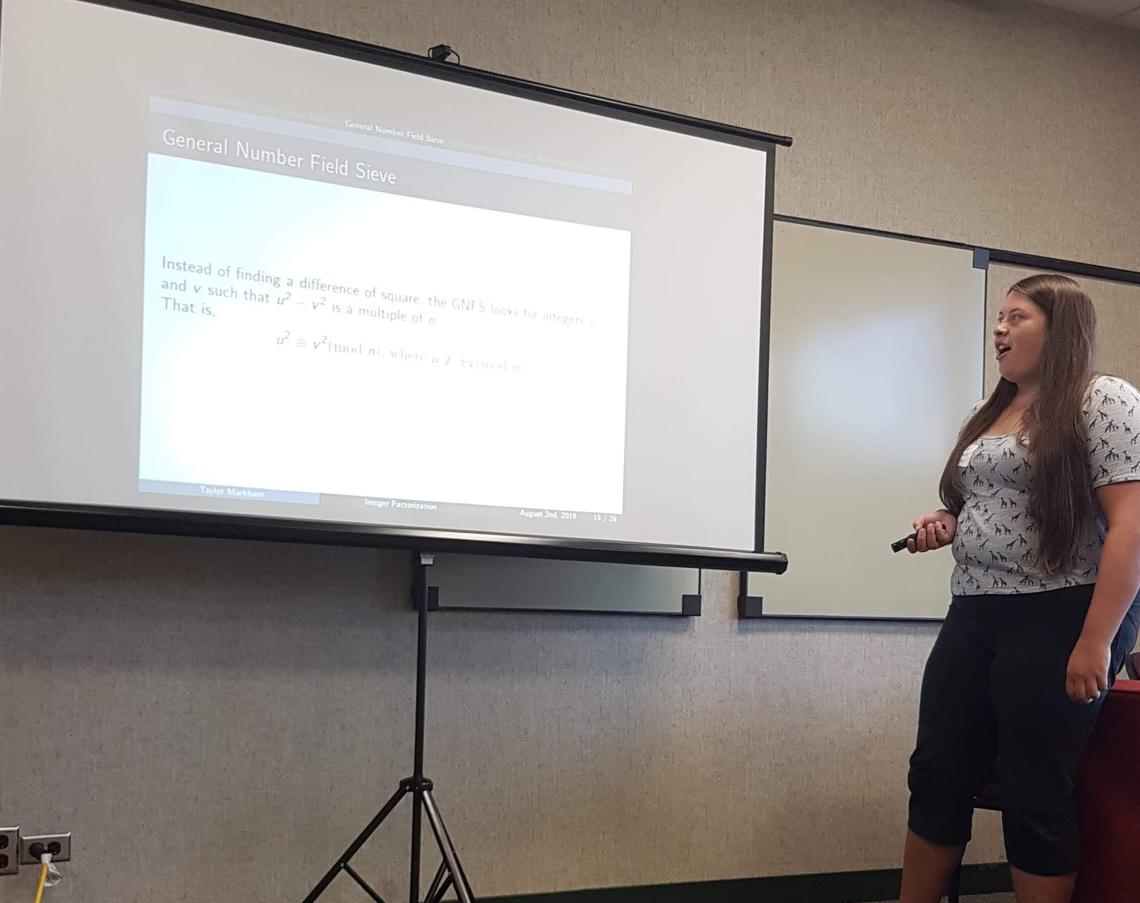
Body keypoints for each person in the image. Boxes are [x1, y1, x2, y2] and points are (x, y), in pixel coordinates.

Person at [898, 274, 1140, 903]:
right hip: (974, 612)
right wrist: (946, 523)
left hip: (1061, 613)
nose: (999, 330)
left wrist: (1096, 642)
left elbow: (1131, 527)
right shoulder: (991, 411)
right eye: (998, 318)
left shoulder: (1102, 398)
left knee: (1034, 786)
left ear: (1059, 328)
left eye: (1016, 317)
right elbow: (984, 504)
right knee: (936, 771)